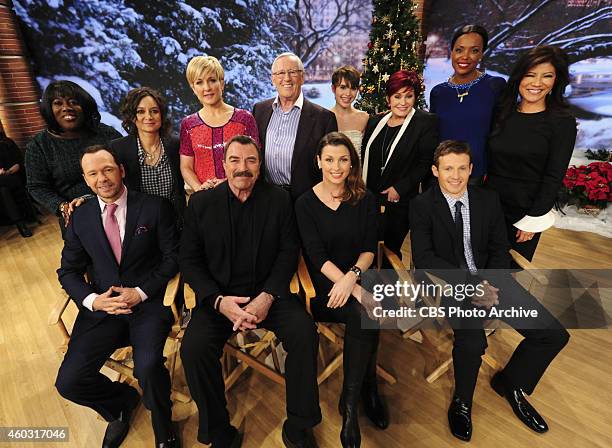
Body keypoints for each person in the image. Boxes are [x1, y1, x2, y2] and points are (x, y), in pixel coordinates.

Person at [410, 140, 569, 442]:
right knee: (471, 343)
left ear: (471, 169)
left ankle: (511, 383)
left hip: (493, 281)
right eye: (447, 169)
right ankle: (462, 402)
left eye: (461, 168)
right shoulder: (421, 205)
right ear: (435, 171)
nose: (455, 176)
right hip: (451, 287)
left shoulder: (487, 199)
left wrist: (492, 283)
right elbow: (425, 258)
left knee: (554, 334)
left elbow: (499, 247)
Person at [180, 135, 320, 448]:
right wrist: (217, 301)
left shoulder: (280, 200)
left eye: (251, 160)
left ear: (260, 166)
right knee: (193, 349)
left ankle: (299, 425)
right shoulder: (201, 203)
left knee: (304, 332)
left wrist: (267, 297)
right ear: (224, 164)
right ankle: (219, 431)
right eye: (235, 160)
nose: (243, 168)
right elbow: (188, 260)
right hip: (220, 300)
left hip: (268, 294)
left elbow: (288, 252)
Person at [55, 145, 180, 448]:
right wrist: (93, 301)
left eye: (108, 170)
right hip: (102, 310)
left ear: (121, 170)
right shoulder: (80, 218)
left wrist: (140, 292)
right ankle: (122, 402)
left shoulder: (154, 206)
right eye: (93, 173)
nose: (103, 178)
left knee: (148, 366)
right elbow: (68, 271)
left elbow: (173, 257)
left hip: (147, 304)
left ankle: (164, 428)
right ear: (86, 180)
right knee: (68, 383)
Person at [295, 132, 386, 448]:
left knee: (370, 310)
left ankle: (354, 398)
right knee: (367, 310)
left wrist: (354, 279)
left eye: (343, 159)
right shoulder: (305, 203)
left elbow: (369, 248)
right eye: (330, 159)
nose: (336, 167)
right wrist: (350, 286)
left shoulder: (365, 198)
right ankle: (362, 394)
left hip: (357, 276)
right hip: (323, 288)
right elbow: (316, 256)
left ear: (352, 163)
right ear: (319, 161)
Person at [486, 46, 577, 261]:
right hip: (489, 206)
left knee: (506, 277)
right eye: (530, 75)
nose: (537, 83)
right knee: (478, 269)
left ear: (556, 81)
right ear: (519, 77)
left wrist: (533, 219)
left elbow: (554, 176)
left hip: (525, 213)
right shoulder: (502, 112)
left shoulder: (562, 123)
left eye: (547, 76)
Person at [25, 80, 122, 232]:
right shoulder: (39, 146)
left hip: (119, 210)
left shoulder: (107, 133)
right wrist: (62, 206)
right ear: (49, 109)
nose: (66, 108)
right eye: (58, 103)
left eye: (74, 102)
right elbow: (37, 186)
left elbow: (126, 168)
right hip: (77, 218)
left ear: (85, 106)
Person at [361, 70, 438, 259]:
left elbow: (425, 163)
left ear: (415, 97)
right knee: (366, 247)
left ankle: (386, 287)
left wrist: (399, 188)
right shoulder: (375, 122)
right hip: (368, 199)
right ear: (389, 98)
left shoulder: (425, 122)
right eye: (397, 96)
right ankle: (365, 287)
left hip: (399, 202)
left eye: (409, 96)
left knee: (390, 253)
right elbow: (365, 157)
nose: (403, 103)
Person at [253, 52, 337, 199]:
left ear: (302, 77)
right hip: (266, 198)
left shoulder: (324, 118)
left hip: (305, 200)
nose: (286, 78)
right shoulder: (259, 110)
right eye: (280, 73)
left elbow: (330, 167)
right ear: (273, 79)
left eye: (292, 72)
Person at [429, 24, 506, 184]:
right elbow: (433, 136)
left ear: (481, 55)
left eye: (474, 50)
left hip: (477, 175)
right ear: (452, 53)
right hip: (442, 174)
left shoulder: (495, 86)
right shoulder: (438, 92)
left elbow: (500, 133)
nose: (465, 56)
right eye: (459, 50)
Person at [179, 55, 260, 192]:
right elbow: (186, 167)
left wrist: (229, 184)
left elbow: (255, 162)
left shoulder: (244, 119)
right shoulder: (189, 125)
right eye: (199, 82)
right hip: (203, 199)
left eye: (212, 80)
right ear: (193, 88)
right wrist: (200, 190)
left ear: (221, 83)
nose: (207, 87)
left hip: (241, 196)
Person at [110, 87, 185, 227]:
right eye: (140, 111)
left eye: (154, 111)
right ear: (132, 117)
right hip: (139, 224)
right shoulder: (118, 149)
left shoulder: (176, 145)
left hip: (175, 222)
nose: (149, 117)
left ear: (161, 115)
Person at [330, 66, 369, 155]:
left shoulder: (364, 118)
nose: (348, 93)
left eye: (353, 88)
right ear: (333, 89)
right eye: (343, 87)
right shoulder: (323, 117)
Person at [0, 131, 32, 237]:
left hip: (14, 177)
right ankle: (20, 224)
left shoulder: (8, 143)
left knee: (5, 186)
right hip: (4, 184)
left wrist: (7, 172)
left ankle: (20, 224)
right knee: (4, 190)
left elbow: (18, 164)